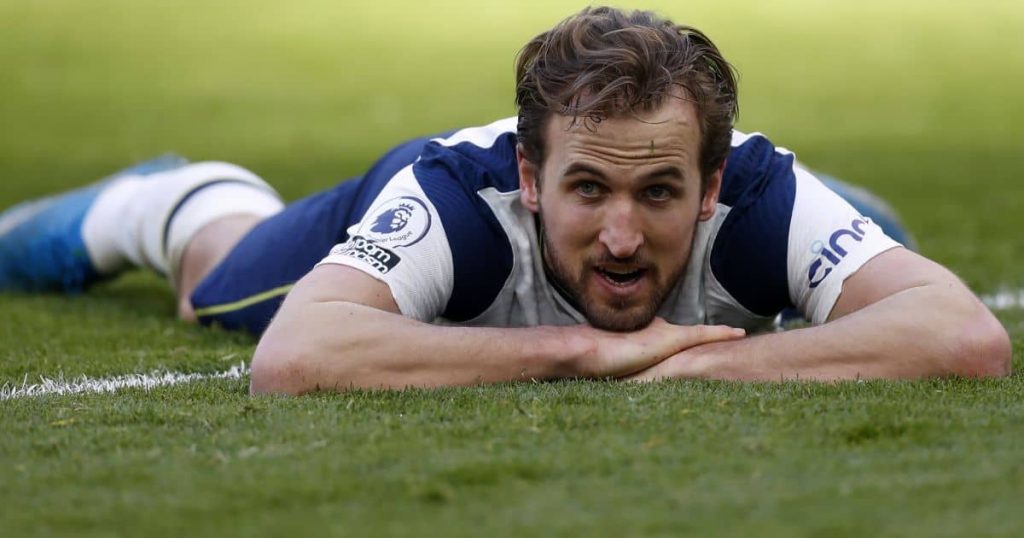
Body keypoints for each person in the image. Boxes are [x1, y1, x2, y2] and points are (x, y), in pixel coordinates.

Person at [0, 7, 1010, 393]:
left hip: (757, 198)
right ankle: (176, 197)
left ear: (710, 188)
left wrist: (698, 368)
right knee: (213, 287)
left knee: (861, 241)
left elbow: (963, 338)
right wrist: (580, 351)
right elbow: (295, 358)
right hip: (402, 196)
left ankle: (846, 218)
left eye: (660, 191)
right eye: (587, 189)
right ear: (531, 180)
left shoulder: (757, 196)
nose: (622, 235)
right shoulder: (460, 204)